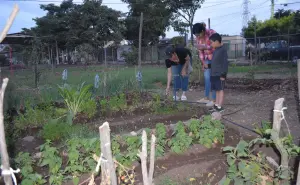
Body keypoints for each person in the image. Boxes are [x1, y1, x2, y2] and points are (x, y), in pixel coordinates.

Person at [192, 22, 216, 106]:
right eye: (196, 35)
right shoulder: (198, 37)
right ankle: (206, 98)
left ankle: (214, 100)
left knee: (214, 79)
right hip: (206, 60)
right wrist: (203, 63)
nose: (197, 37)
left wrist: (205, 47)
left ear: (203, 30)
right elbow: (200, 51)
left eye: (198, 34)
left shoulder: (212, 33)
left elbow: (216, 46)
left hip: (215, 59)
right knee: (207, 79)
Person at [209, 33, 228, 112]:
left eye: (211, 42)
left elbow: (225, 63)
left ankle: (220, 107)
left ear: (217, 41)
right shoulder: (216, 50)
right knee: (217, 90)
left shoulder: (223, 50)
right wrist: (209, 65)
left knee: (220, 90)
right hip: (214, 74)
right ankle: (216, 105)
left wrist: (223, 74)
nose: (211, 44)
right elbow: (215, 62)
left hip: (219, 75)